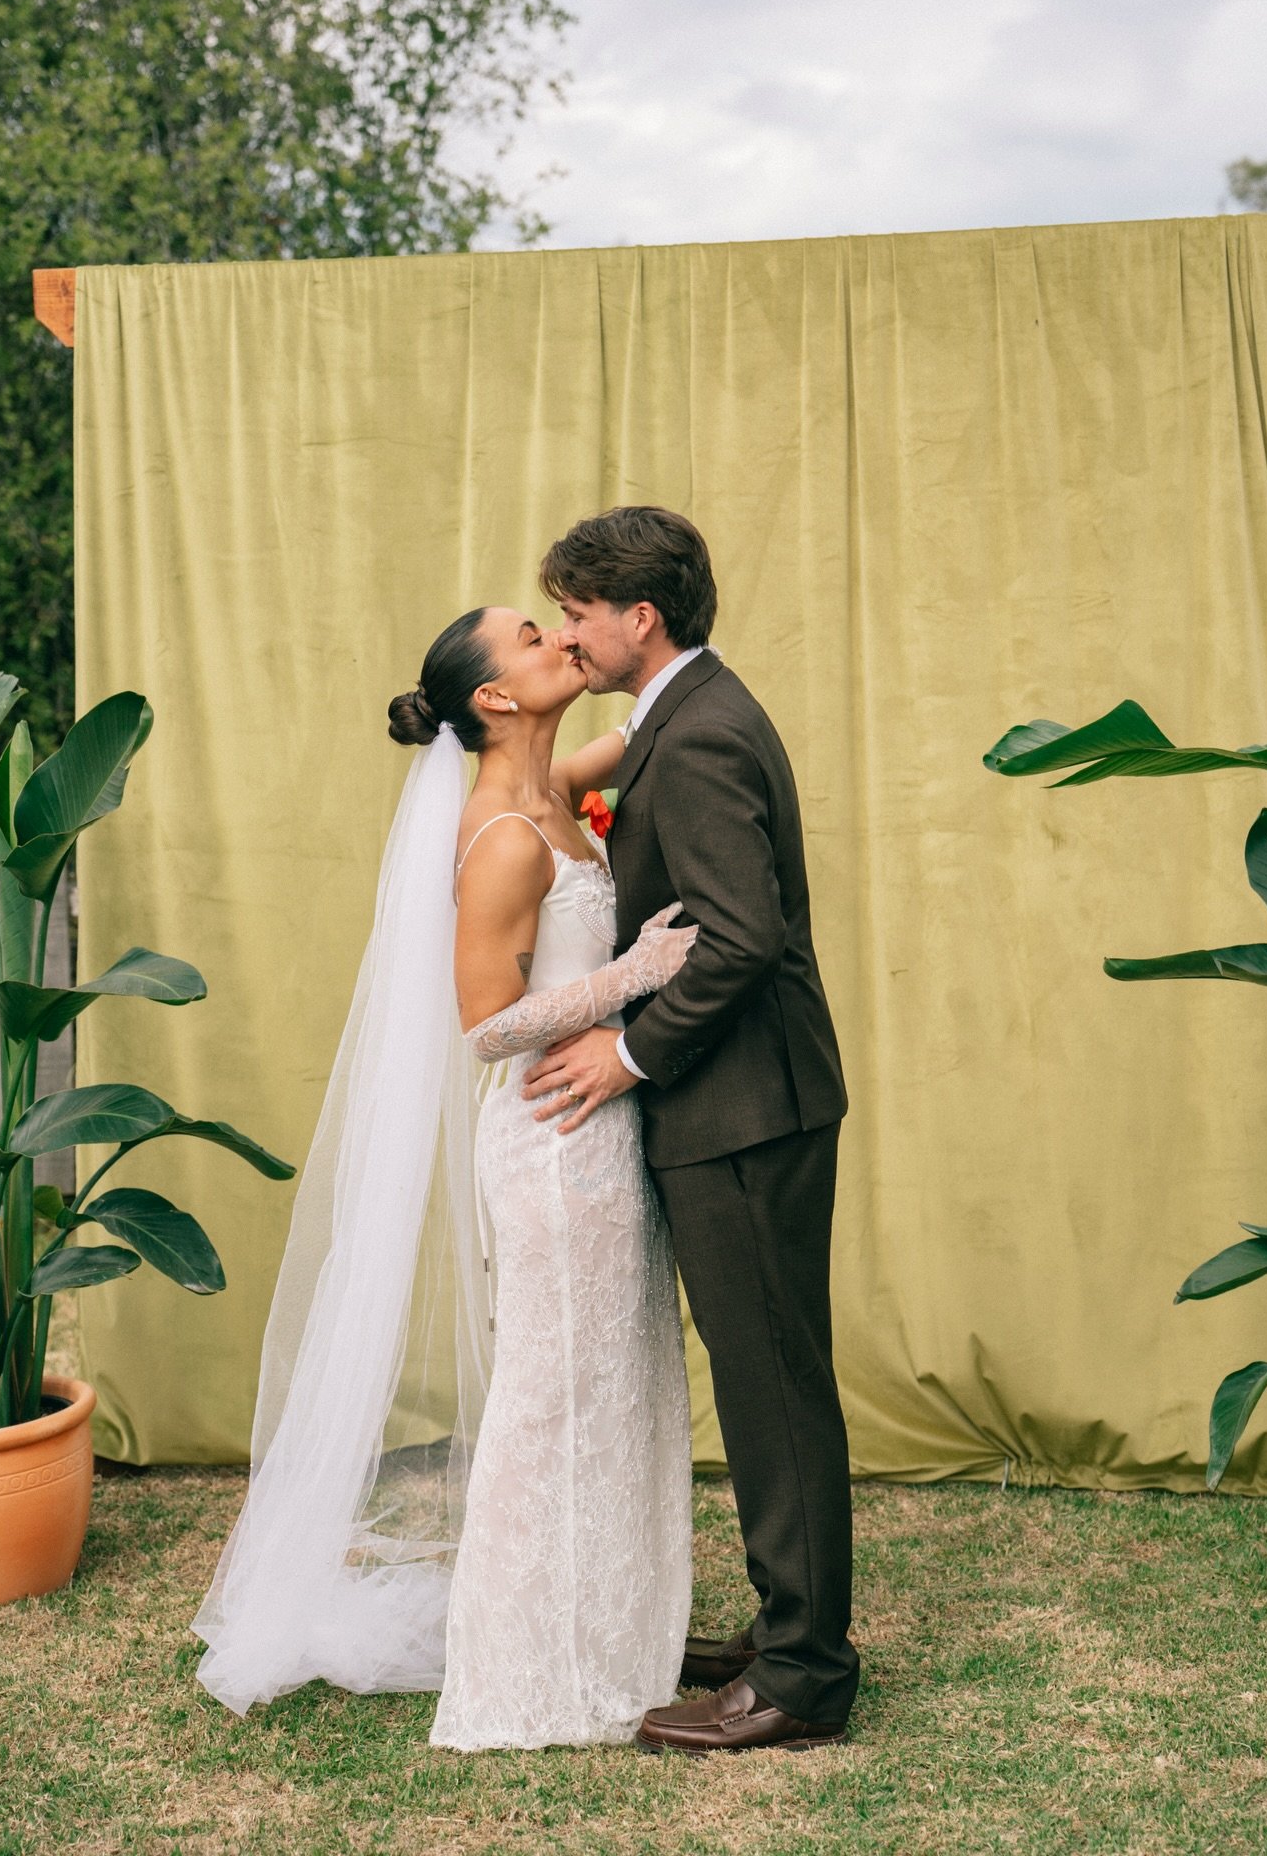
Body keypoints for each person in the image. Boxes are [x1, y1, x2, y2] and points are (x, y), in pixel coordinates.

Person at [193, 601, 696, 1751]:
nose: (558, 638)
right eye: (533, 636)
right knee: (549, 1403)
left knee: (613, 1388)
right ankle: (520, 1674)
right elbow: (486, 1027)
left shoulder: (555, 788)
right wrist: (640, 972)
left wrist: (658, 670)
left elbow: (647, 726)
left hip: (606, 1132)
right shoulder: (506, 837)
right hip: (553, 1144)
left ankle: (608, 1635)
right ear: (494, 698)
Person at [527, 505, 859, 1755]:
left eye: (576, 613)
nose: (568, 633)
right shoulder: (678, 716)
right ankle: (785, 1631)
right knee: (761, 1374)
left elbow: (740, 938)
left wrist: (625, 1053)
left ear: (640, 616)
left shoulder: (704, 732)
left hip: (746, 1112)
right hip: (737, 1108)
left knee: (774, 1384)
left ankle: (805, 1677)